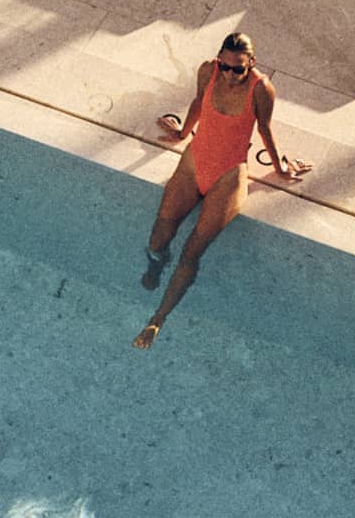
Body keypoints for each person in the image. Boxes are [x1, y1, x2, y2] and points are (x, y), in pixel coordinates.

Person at [133, 33, 311, 349]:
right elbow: (199, 101)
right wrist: (183, 133)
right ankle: (155, 265)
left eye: (238, 69)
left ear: (251, 64)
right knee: (159, 232)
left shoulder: (261, 89)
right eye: (226, 66)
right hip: (193, 163)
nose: (230, 75)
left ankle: (158, 319)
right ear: (219, 60)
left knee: (192, 251)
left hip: (228, 176)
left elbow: (265, 129)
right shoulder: (208, 71)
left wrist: (282, 168)